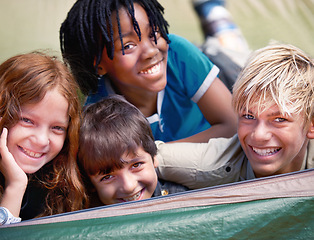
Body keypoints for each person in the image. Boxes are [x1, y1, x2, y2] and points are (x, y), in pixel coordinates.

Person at [60, 0, 237, 143]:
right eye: (128, 46)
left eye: (153, 34)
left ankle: (213, 12)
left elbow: (233, 125)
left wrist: (160, 154)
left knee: (232, 53)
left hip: (218, 67)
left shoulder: (179, 53)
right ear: (99, 64)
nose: (151, 51)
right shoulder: (97, 112)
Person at [155, 43, 314, 189]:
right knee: (223, 58)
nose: (258, 135)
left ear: (311, 125)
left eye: (279, 119)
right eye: (248, 116)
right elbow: (146, 157)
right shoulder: (211, 163)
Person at [0, 52, 87, 225]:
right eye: (27, 120)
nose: (41, 140)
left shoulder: (62, 184)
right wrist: (15, 186)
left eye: (57, 128)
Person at [78, 95, 188, 206]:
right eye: (107, 177)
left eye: (136, 165)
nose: (129, 186)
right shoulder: (84, 218)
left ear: (154, 157)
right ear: (90, 184)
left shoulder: (182, 201)